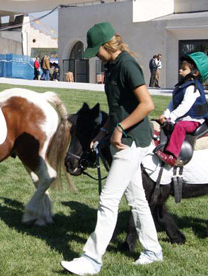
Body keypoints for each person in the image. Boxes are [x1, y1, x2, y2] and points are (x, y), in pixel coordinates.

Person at [61, 22, 163, 276]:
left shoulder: (127, 65)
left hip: (131, 141)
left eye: (97, 50)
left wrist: (120, 129)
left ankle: (91, 259)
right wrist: (104, 131)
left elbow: (146, 105)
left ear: (107, 46)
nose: (95, 54)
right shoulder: (111, 67)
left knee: (108, 200)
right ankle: (153, 251)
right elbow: (119, 109)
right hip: (120, 137)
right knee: (137, 200)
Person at [154, 52, 208, 167]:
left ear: (195, 73)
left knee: (180, 127)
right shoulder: (182, 86)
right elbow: (172, 103)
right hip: (184, 117)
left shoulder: (193, 88)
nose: (180, 71)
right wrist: (165, 115)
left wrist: (172, 118)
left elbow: (185, 106)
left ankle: (172, 155)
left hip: (194, 120)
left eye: (183, 69)